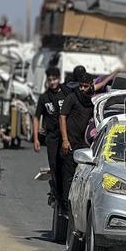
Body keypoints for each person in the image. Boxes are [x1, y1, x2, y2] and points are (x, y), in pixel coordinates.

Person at [58, 67, 95, 210]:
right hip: (71, 144)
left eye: (85, 86)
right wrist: (65, 140)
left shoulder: (93, 101)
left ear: (90, 85)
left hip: (85, 146)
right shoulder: (72, 98)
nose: (82, 89)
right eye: (80, 86)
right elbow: (62, 117)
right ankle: (67, 207)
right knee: (69, 175)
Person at [32, 67, 69, 204]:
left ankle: (64, 195)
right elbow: (36, 117)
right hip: (52, 137)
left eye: (55, 79)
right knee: (54, 165)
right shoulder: (44, 97)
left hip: (66, 136)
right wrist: (36, 138)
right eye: (50, 80)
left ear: (59, 79)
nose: (52, 82)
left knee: (65, 165)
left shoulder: (67, 94)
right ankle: (56, 192)